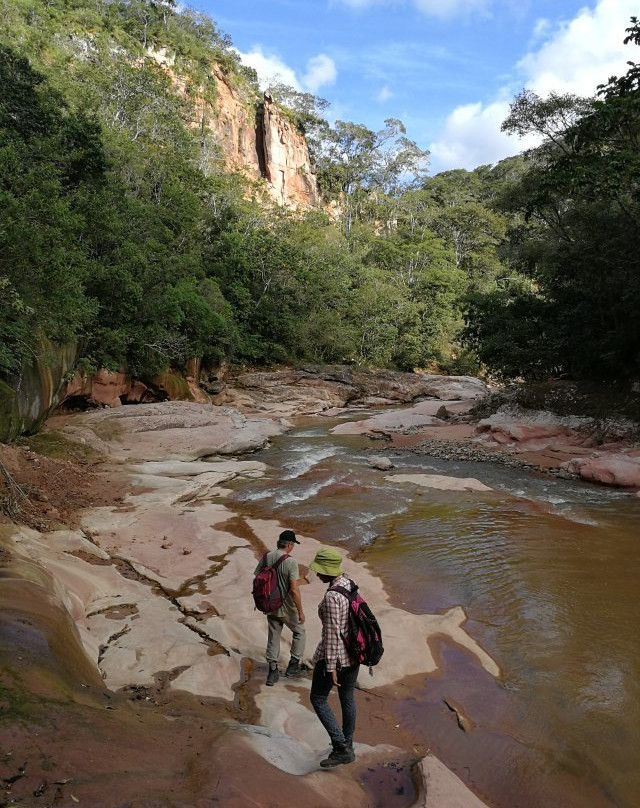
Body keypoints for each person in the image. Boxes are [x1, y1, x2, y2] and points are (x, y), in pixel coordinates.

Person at [309, 547, 359, 768]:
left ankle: (341, 748)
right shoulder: (348, 584)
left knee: (318, 698)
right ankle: (348, 743)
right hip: (354, 654)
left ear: (327, 570)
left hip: (336, 657)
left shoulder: (332, 597)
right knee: (347, 699)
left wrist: (331, 667)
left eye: (319, 570)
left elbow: (332, 634)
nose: (316, 574)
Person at [254, 529, 306, 686]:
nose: (293, 547)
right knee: (299, 632)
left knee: (273, 636)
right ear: (289, 545)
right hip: (287, 606)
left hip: (270, 604)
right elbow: (294, 589)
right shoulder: (291, 562)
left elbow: (257, 576)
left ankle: (272, 672)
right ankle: (293, 666)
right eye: (293, 544)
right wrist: (300, 611)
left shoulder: (267, 556)